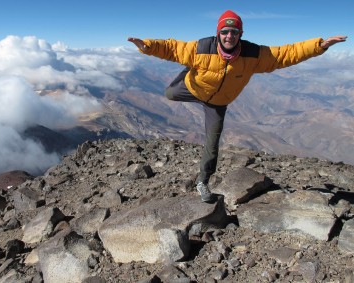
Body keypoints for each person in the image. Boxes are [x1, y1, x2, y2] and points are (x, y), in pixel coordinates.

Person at [128, 10, 347, 202]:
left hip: (217, 103)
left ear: (240, 34)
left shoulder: (253, 55)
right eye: (224, 31)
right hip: (194, 88)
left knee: (212, 145)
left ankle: (203, 181)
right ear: (218, 33)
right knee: (169, 93)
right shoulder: (202, 48)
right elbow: (172, 48)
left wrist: (318, 46)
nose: (229, 36)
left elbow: (285, 54)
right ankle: (190, 71)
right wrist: (147, 46)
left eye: (234, 32)